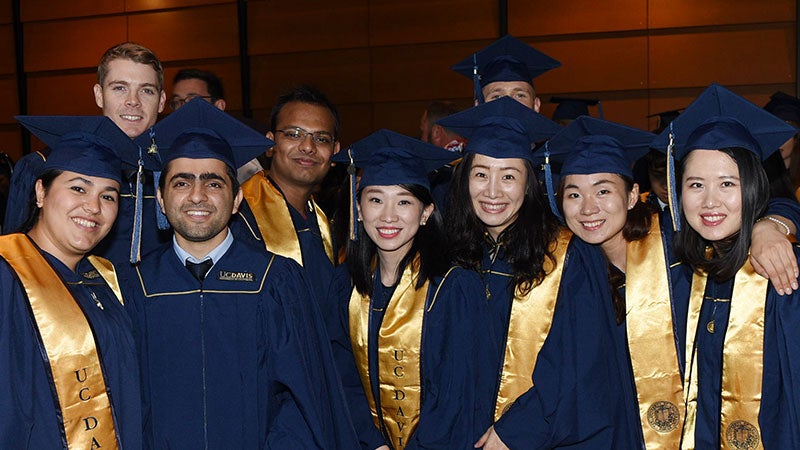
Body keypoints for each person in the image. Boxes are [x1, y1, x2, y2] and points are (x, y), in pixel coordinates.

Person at [124, 98, 360, 449]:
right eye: (182, 183)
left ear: (236, 199)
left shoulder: (277, 282)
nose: (198, 196)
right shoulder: (135, 288)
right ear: (160, 198)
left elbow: (303, 400)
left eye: (215, 183)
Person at [438, 97, 634, 449]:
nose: (493, 191)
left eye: (509, 176)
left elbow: (580, 363)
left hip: (538, 437)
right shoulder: (452, 255)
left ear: (529, 183)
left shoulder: (567, 255)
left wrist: (514, 432)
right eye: (480, 174)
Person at [653, 83, 800, 448]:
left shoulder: (782, 272)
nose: (709, 201)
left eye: (727, 183)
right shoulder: (678, 270)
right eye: (696, 184)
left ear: (752, 187)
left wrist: (775, 222)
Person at [0, 115, 159, 449]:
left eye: (109, 196)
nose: (93, 207)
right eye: (78, 188)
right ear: (41, 191)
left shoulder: (106, 280)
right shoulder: (6, 271)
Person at [326, 129, 490, 449]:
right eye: (375, 199)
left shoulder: (455, 288)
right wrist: (371, 442)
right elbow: (340, 377)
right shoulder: (343, 286)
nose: (388, 215)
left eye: (404, 201)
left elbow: (458, 398)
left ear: (426, 212)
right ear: (358, 209)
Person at [542, 116, 689, 448]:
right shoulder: (572, 270)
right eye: (574, 195)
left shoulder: (676, 249)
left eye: (603, 191)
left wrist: (774, 224)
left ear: (633, 194)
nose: (588, 208)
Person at [6, 42, 171, 268]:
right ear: (99, 95)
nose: (133, 101)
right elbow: (16, 257)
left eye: (146, 90)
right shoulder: (44, 166)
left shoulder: (176, 176)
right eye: (119, 88)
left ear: (161, 101)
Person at [231, 85, 340, 301]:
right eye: (294, 134)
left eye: (321, 139)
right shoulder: (238, 217)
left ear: (334, 152)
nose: (308, 147)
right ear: (270, 144)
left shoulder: (325, 223)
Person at [169, 68, 267, 182]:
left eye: (192, 100)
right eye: (176, 101)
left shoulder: (242, 162)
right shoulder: (166, 153)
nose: (182, 108)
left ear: (218, 106)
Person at [451, 34, 560, 111]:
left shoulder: (555, 144)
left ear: (536, 105)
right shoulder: (473, 145)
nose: (508, 104)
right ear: (479, 105)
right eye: (496, 97)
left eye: (520, 95)